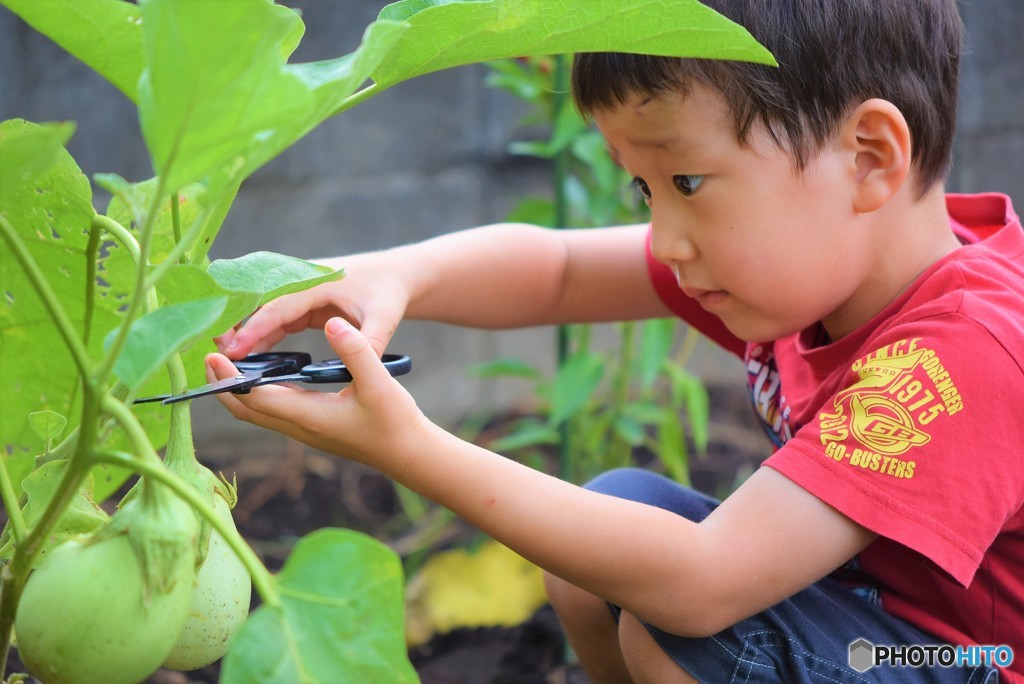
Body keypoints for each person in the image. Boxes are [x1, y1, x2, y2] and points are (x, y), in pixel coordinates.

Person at [210, 0, 1023, 681]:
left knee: (685, 634)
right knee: (597, 547)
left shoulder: (963, 355)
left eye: (687, 182)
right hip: (863, 625)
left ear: (868, 158)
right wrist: (386, 274)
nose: (664, 237)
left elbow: (706, 583)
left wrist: (408, 447)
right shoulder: (823, 266)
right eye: (644, 187)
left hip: (974, 658)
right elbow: (559, 270)